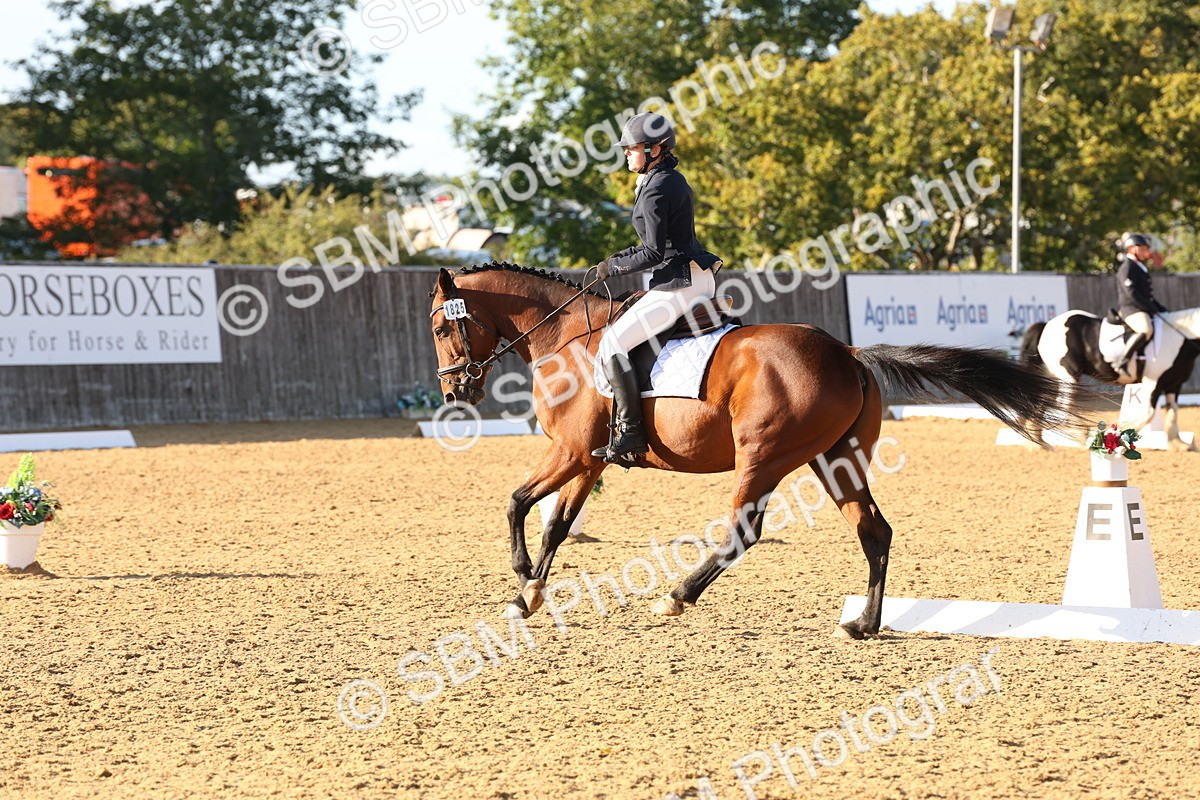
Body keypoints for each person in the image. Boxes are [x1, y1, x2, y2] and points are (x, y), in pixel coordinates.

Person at [589, 111, 721, 464]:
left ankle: (630, 432)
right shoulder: (666, 180)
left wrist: (612, 267)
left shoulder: (658, 187)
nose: (626, 153)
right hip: (693, 276)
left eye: (632, 148)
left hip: (679, 284)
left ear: (654, 149)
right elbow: (653, 244)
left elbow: (652, 253)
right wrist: (616, 258)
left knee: (612, 344)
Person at [1114, 232, 1168, 381]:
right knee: (1146, 329)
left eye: (1147, 249)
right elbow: (1132, 293)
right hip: (1131, 309)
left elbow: (1147, 296)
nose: (1146, 252)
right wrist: (1150, 307)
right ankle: (1123, 361)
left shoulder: (1139, 267)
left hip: (1141, 308)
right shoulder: (1127, 267)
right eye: (1143, 249)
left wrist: (1161, 308)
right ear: (1131, 249)